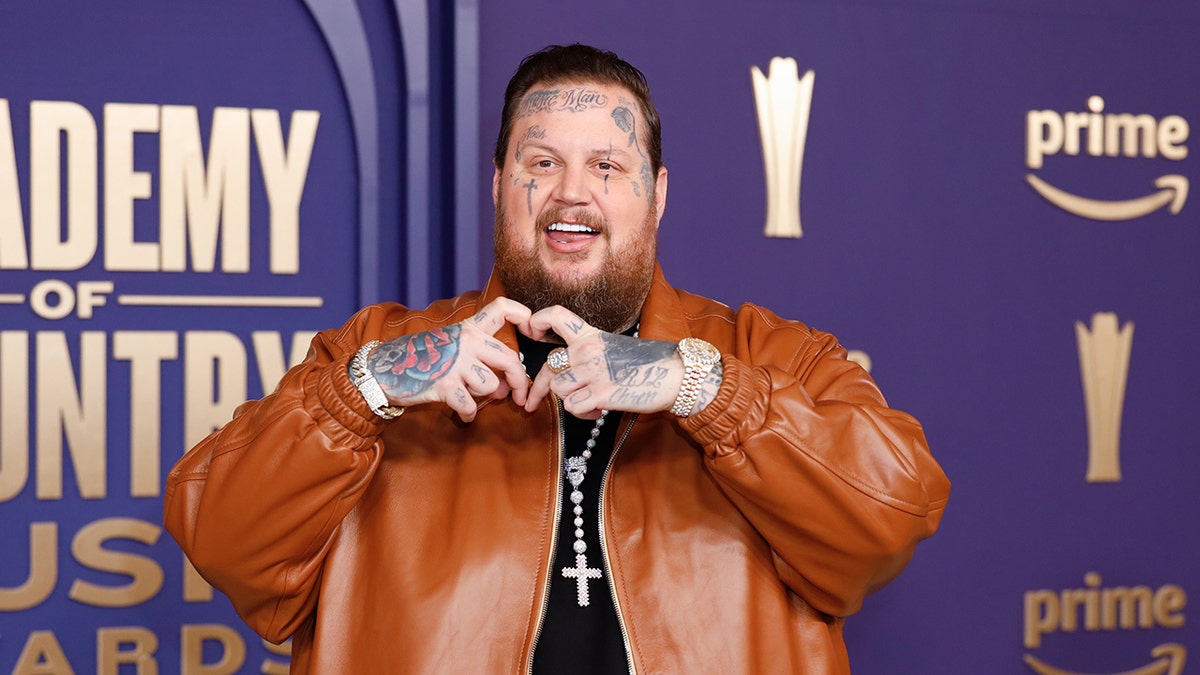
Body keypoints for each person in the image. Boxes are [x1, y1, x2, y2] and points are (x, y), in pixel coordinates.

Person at [165, 44, 950, 674]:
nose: (572, 193)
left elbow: (891, 518)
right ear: (501, 183)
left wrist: (698, 386)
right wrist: (374, 387)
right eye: (541, 163)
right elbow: (224, 538)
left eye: (607, 166)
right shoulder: (378, 353)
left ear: (658, 192)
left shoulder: (770, 354)